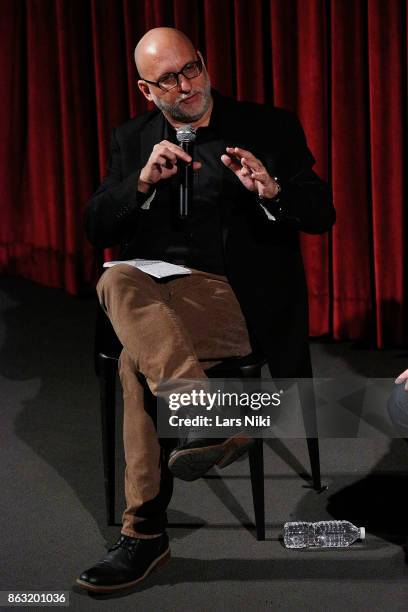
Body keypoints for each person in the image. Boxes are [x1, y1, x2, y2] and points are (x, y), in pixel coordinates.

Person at [77, 27, 335, 592]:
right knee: (120, 281)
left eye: (190, 68)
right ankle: (205, 421)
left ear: (204, 63)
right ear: (147, 91)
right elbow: (96, 225)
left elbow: (321, 212)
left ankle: (143, 536)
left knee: (133, 353)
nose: (185, 85)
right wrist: (140, 182)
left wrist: (271, 193)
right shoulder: (131, 139)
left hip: (239, 300)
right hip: (157, 298)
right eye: (167, 79)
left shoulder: (267, 125)